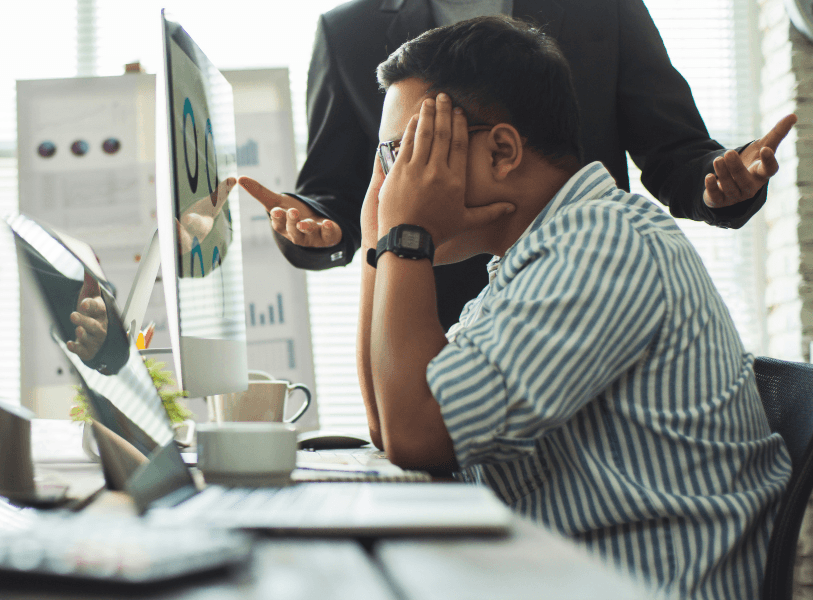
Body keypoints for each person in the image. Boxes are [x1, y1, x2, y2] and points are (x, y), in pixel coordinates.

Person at [358, 16, 792, 598]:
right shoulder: (527, 267)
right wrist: (376, 237)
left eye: (406, 151)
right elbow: (391, 426)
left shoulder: (602, 245)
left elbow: (417, 432)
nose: (393, 180)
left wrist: (403, 233)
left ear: (503, 150)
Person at [240, 0, 796, 329]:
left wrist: (721, 183)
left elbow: (674, 147)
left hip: (585, 290)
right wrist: (315, 228)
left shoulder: (599, 8)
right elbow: (332, 193)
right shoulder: (348, 32)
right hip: (433, 311)